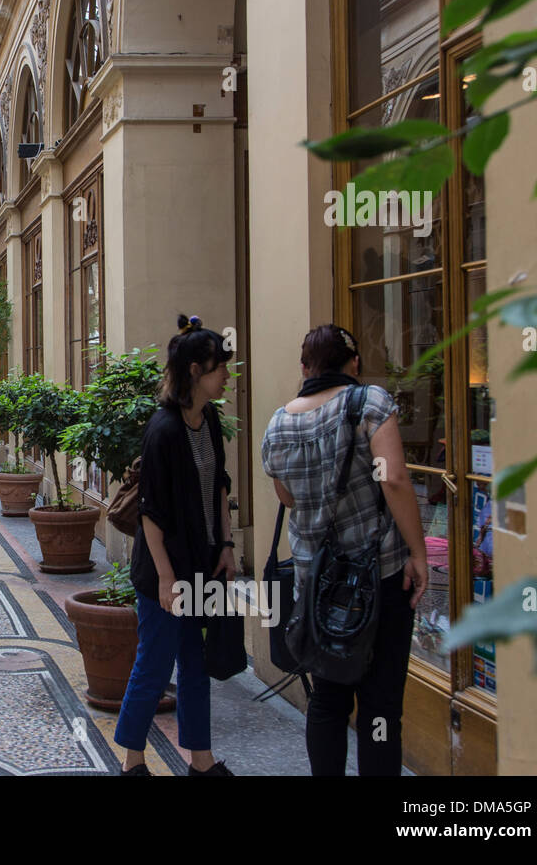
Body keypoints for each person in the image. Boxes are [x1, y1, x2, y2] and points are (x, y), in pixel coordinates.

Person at [261, 324, 429, 776]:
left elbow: (288, 498)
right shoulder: (369, 402)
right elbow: (393, 478)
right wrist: (419, 552)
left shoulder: (278, 424)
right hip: (380, 577)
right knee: (379, 707)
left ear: (304, 368)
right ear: (354, 364)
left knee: (328, 699)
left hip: (316, 582)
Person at [117, 315, 237, 777]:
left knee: (195, 663)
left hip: (203, 564)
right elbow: (151, 511)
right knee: (154, 664)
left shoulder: (209, 419)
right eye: (218, 367)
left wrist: (225, 544)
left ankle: (201, 761)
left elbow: (220, 486)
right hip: (164, 573)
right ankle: (132, 761)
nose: (225, 375)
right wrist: (166, 577)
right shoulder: (163, 430)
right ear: (194, 371)